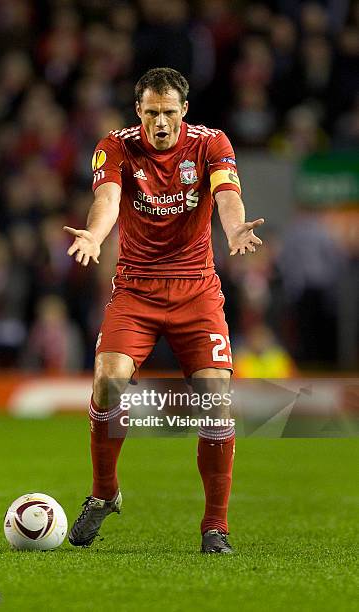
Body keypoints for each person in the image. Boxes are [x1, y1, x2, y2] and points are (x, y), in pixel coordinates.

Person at [63, 67, 264, 554]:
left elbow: (227, 194)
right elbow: (108, 198)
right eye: (151, 112)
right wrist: (94, 234)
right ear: (139, 111)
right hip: (136, 289)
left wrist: (235, 228)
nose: (160, 122)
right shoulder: (115, 146)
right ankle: (105, 493)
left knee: (216, 397)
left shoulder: (211, 143)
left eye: (169, 113)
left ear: (184, 111)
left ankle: (215, 526)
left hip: (196, 290)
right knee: (107, 378)